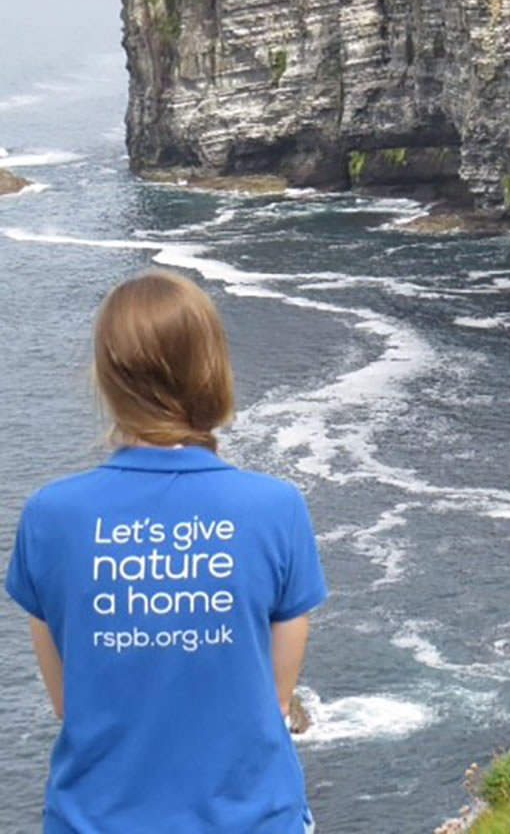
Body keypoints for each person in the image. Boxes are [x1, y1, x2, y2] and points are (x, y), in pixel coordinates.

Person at [5, 269, 327, 834]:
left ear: (106, 376)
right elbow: (272, 704)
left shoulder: (49, 516)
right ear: (213, 369)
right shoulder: (277, 508)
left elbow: (66, 702)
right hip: (253, 819)